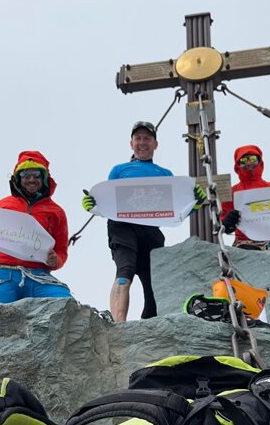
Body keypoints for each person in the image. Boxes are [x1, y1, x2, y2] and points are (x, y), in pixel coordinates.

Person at [82, 121, 206, 322]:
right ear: (131, 144)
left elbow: (175, 210)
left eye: (147, 138)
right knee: (125, 270)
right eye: (138, 138)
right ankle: (118, 324)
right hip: (122, 226)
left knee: (154, 280)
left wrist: (194, 204)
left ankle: (152, 322)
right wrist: (94, 204)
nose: (142, 142)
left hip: (150, 229)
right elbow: (107, 201)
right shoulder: (119, 170)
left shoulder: (165, 174)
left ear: (155, 144)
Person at [0, 150, 72, 303]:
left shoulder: (57, 212)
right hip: (3, 273)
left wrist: (56, 260)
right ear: (18, 178)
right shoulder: (4, 204)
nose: (31, 179)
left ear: (44, 178)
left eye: (36, 175)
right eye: (26, 175)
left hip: (39, 276)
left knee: (66, 302)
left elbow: (61, 251)